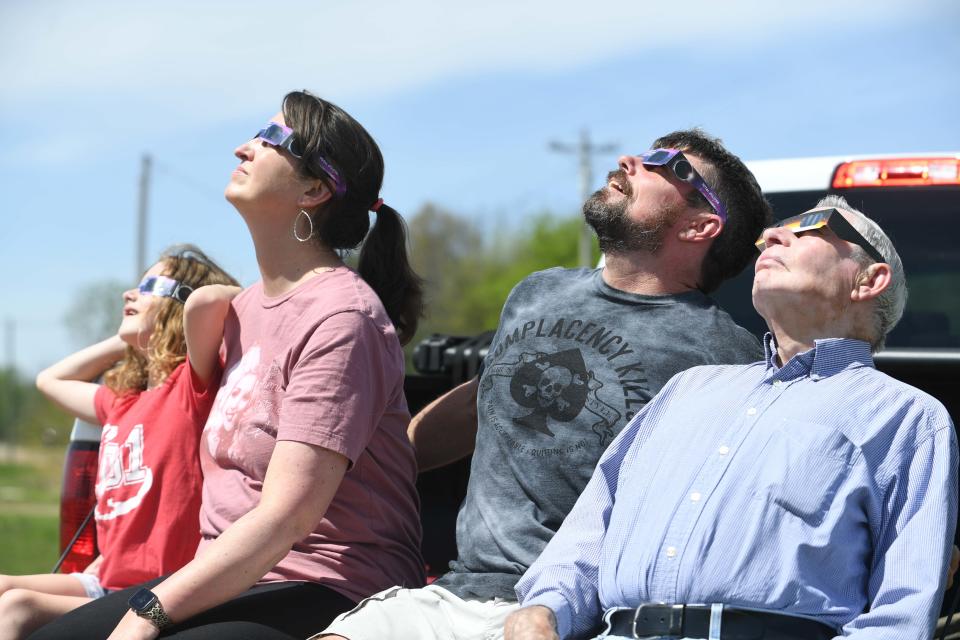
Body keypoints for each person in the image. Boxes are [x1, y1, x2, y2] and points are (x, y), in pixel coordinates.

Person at [316, 131, 773, 640]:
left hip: (580, 614)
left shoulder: (728, 359)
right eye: (646, 153)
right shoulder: (538, 291)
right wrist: (368, 473)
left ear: (700, 226)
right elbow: (481, 404)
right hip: (456, 592)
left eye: (669, 166)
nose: (631, 161)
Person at [29, 90, 425, 639]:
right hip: (228, 577)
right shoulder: (236, 313)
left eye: (271, 140)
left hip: (328, 585)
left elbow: (288, 517)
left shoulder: (343, 318)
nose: (244, 149)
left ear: (314, 189)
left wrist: (148, 614)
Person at [506, 196, 958, 640]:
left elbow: (900, 614)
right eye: (774, 232)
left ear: (869, 279)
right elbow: (590, 534)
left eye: (811, 228)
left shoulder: (907, 419)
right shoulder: (686, 389)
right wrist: (543, 611)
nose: (771, 237)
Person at [0, 245, 238, 640]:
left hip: (159, 591)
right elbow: (50, 380)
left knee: (15, 607)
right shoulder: (122, 402)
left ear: (180, 305)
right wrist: (126, 338)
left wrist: (177, 313)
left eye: (149, 285)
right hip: (107, 581)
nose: (129, 294)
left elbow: (213, 300)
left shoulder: (191, 389)